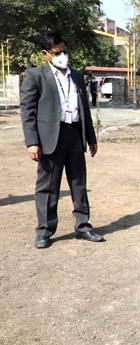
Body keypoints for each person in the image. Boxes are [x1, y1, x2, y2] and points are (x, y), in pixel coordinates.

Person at [20, 32, 104, 249]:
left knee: (78, 183)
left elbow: (84, 108)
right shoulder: (35, 75)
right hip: (49, 138)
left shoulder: (76, 76)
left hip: (74, 135)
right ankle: (45, 231)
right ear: (45, 54)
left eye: (64, 50)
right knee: (47, 187)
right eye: (57, 52)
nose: (62, 55)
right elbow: (27, 110)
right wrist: (32, 141)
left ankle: (83, 226)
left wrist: (91, 137)